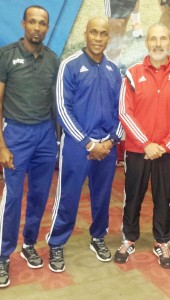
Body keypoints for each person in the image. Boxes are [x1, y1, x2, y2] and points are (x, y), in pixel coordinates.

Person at [46, 17, 123, 273]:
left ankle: (98, 237)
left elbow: (122, 110)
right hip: (78, 146)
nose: (98, 38)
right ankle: (56, 242)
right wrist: (89, 143)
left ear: (108, 37)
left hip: (107, 147)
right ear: (85, 34)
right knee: (68, 196)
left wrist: (112, 141)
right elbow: (61, 107)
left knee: (102, 197)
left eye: (103, 34)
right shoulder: (70, 65)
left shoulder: (114, 69)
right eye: (94, 33)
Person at [114, 23, 170, 268]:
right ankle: (128, 238)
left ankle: (162, 241)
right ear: (146, 42)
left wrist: (164, 145)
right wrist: (147, 143)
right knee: (133, 197)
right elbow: (124, 112)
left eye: (163, 38)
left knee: (163, 198)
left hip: (166, 152)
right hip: (138, 150)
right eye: (153, 38)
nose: (158, 43)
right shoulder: (132, 73)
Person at [0, 5, 59, 288]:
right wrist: (1, 144)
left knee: (38, 195)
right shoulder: (7, 55)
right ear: (24, 24)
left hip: (45, 135)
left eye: (42, 23)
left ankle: (29, 244)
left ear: (46, 28)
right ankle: (2, 255)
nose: (37, 27)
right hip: (16, 134)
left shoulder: (52, 60)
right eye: (32, 22)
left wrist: (56, 139)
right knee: (11, 198)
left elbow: (55, 103)